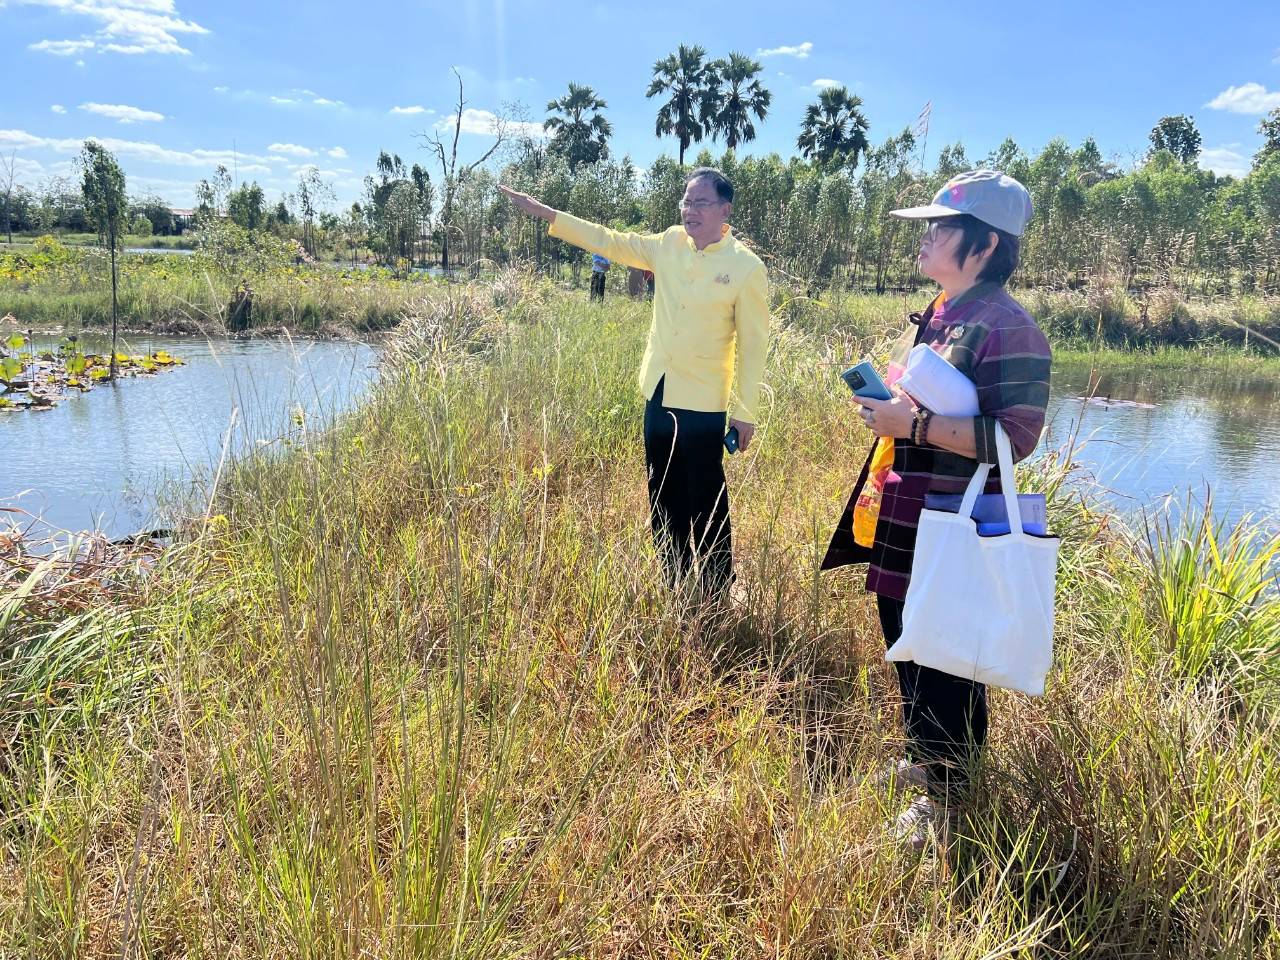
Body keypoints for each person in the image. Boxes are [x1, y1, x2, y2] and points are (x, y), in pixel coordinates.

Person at [821, 170, 1051, 848]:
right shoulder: (944, 311)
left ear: (983, 246)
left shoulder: (1009, 327)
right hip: (906, 509)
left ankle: (950, 805)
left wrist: (910, 425)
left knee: (947, 658)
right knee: (910, 646)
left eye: (939, 229)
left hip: (953, 520)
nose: (925, 239)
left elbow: (1016, 437)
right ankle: (928, 764)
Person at [499, 169, 770, 599]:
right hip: (659, 393)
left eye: (700, 203)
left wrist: (746, 411)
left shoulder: (744, 267)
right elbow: (609, 240)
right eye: (686, 201)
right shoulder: (666, 245)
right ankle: (676, 582)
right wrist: (547, 213)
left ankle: (717, 590)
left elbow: (755, 346)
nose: (690, 210)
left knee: (707, 499)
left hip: (703, 402)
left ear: (725, 210)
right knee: (662, 494)